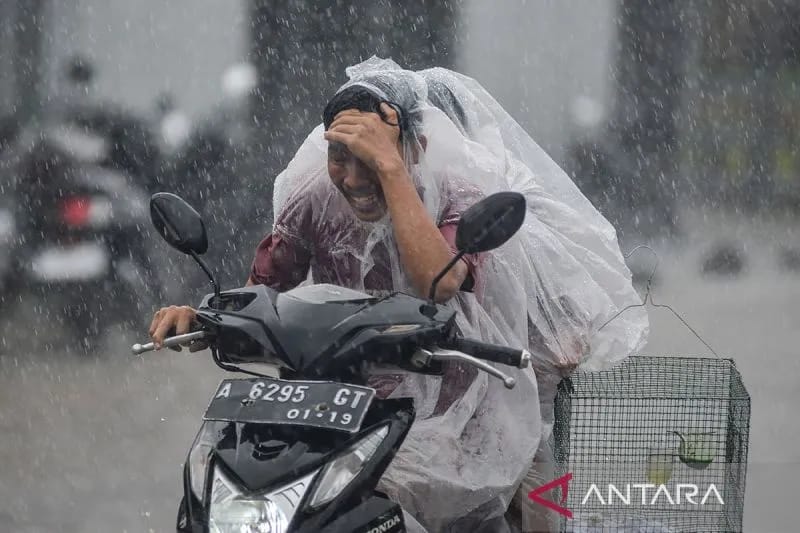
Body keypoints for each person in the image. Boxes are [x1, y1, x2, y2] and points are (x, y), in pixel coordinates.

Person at [150, 57, 647, 532]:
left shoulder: (457, 194)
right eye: (339, 155)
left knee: (533, 497)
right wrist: (202, 318)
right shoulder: (313, 195)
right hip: (345, 398)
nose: (354, 175)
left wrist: (391, 171)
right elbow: (261, 292)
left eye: (371, 155)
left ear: (419, 147)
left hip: (469, 392)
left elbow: (439, 280)